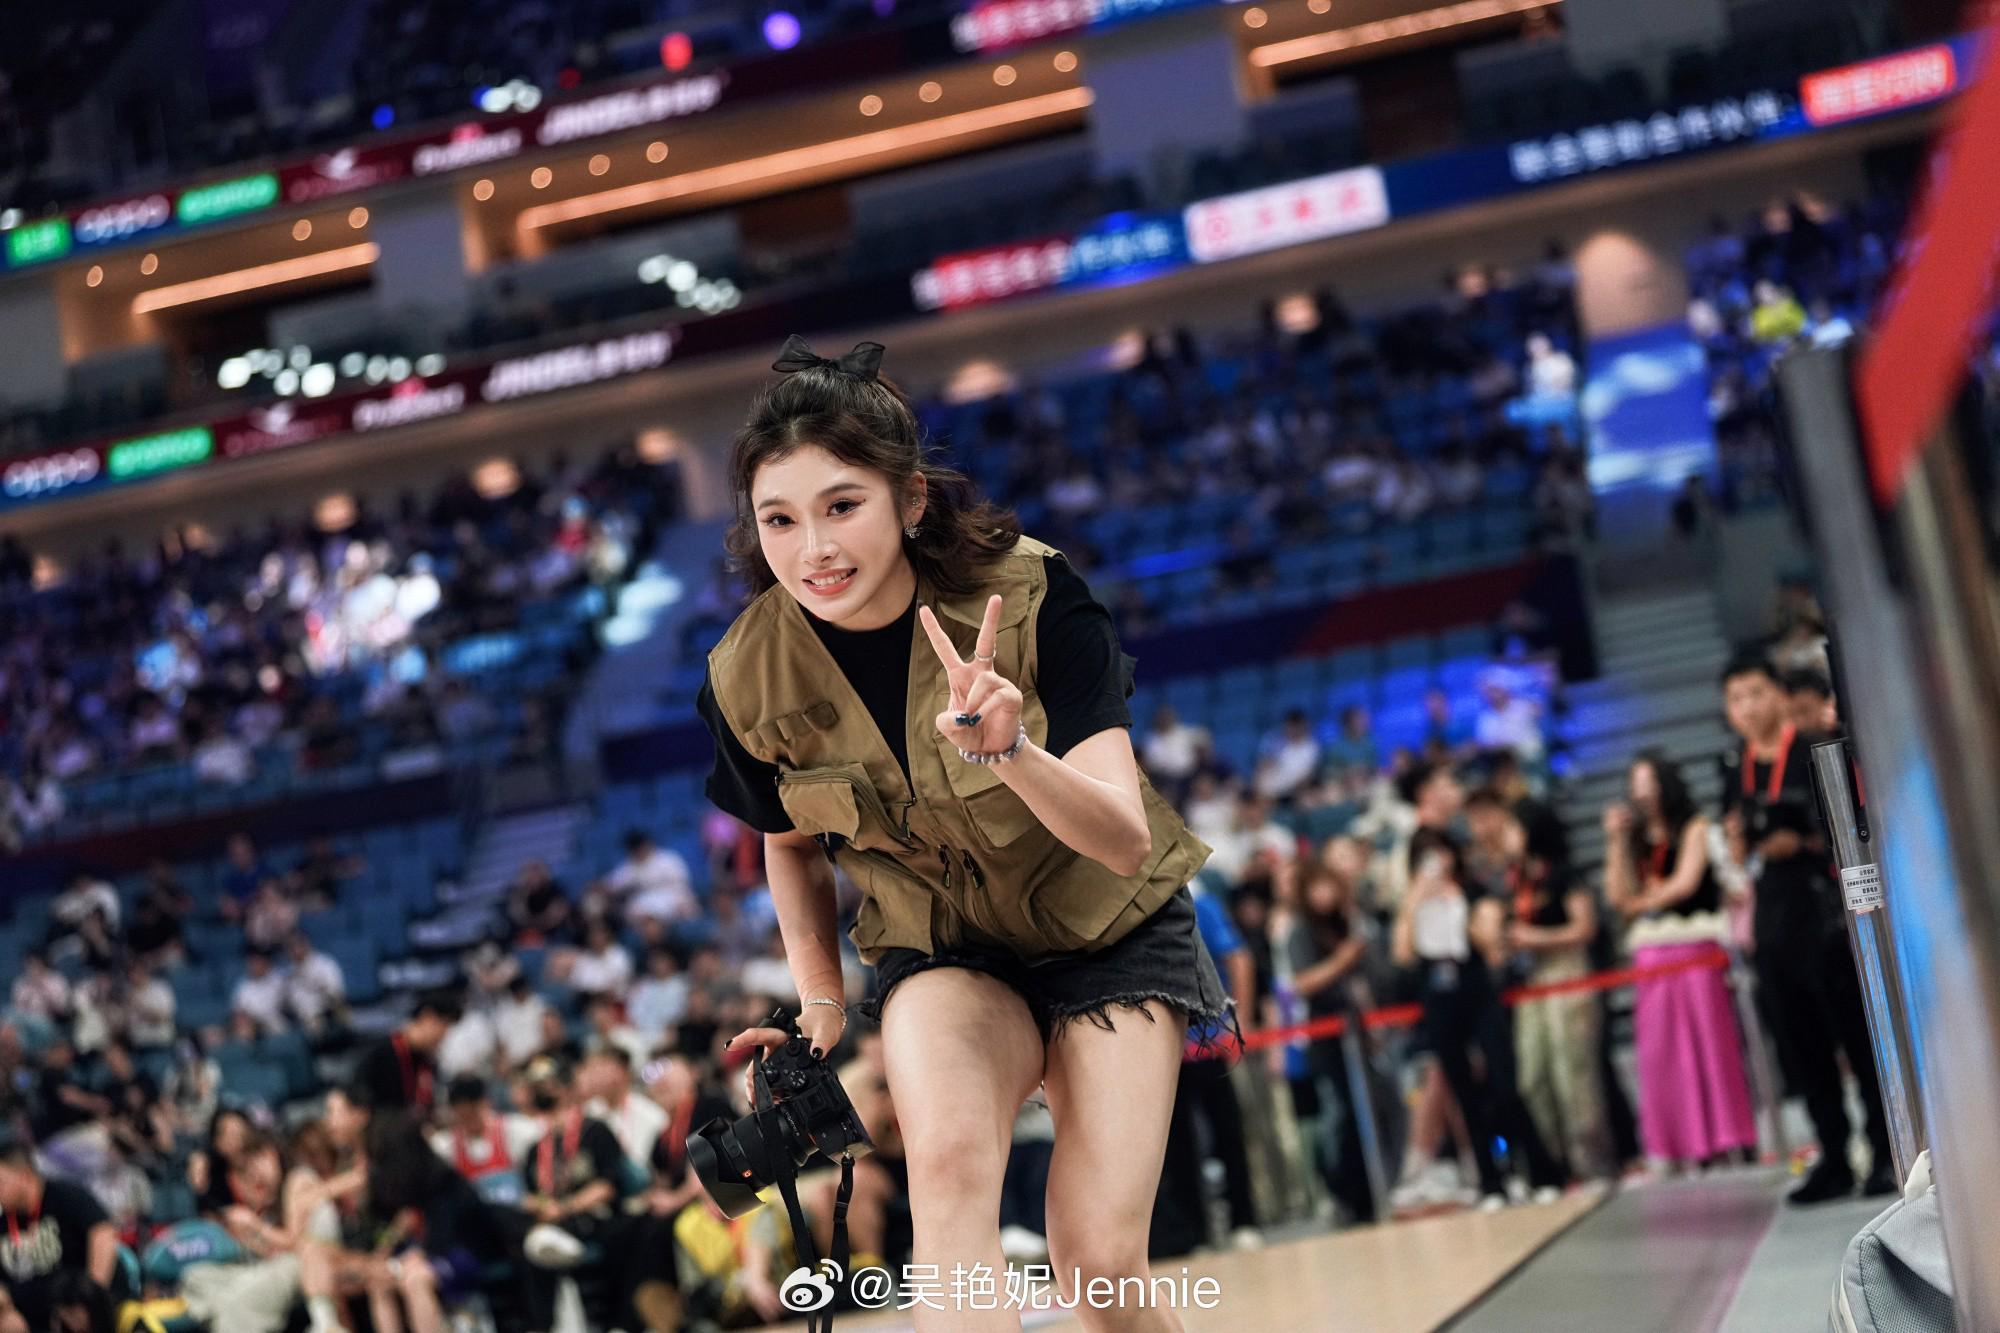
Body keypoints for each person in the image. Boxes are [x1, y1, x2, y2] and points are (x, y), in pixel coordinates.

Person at [696, 336, 1232, 1331]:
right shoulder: (746, 673)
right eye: (779, 519)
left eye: (841, 506)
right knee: (942, 1167)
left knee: (1097, 1261)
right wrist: (820, 997)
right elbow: (787, 839)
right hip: (945, 951)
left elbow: (1123, 840)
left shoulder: (1031, 595)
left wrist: (1011, 750)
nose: (812, 549)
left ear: (909, 500)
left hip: (1106, 932)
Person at [1718, 652, 1893, 1202]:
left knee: (1856, 1037)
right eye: (1736, 699)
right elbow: (1737, 848)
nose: (1748, 708)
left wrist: (1804, 841)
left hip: (1825, 907)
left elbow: (1850, 826)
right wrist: (1742, 843)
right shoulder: (1735, 767)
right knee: (1802, 1045)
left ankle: (1886, 1151)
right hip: (1772, 914)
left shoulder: (1815, 749)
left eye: (1755, 693)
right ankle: (1833, 1156)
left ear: (1778, 693)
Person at [1391, 829, 1565, 1208]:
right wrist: (1416, 900)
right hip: (1439, 997)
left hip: (1477, 990)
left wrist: (1458, 906)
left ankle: (1539, 1170)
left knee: (1505, 1086)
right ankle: (1490, 1181)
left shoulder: (1471, 892)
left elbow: (1491, 947)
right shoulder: (1414, 901)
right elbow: (1402, 954)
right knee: (1464, 1094)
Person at [1603, 752, 1756, 1174]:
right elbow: (1617, 894)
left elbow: (1684, 884)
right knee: (1662, 1054)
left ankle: (1726, 1137)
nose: (1642, 793)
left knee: (1708, 1048)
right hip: (1651, 955)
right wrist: (1616, 841)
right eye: (1636, 784)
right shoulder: (1636, 838)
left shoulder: (1695, 827)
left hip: (1694, 947)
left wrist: (1641, 902)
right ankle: (1679, 1144)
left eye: (1649, 782)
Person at [1466, 789, 1604, 1179]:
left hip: (1566, 972)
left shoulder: (1562, 873)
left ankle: (1590, 1160)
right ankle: (1557, 1160)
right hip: (1530, 980)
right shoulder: (1513, 881)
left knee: (1573, 1071)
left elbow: (1585, 927)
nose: (1505, 835)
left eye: (1512, 828)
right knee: (1533, 1076)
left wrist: (1534, 938)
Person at [0, 1135, 126, 1333]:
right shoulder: (3, 1217)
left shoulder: (65, 1196)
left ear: (24, 1176)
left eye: (1, 1182)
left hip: (79, 1304)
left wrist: (90, 1297)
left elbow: (103, 1233)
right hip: (32, 1314)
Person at [351, 991, 462, 1117]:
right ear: (427, 1017)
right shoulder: (379, 1054)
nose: (444, 1036)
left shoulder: (428, 1062)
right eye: (444, 1026)